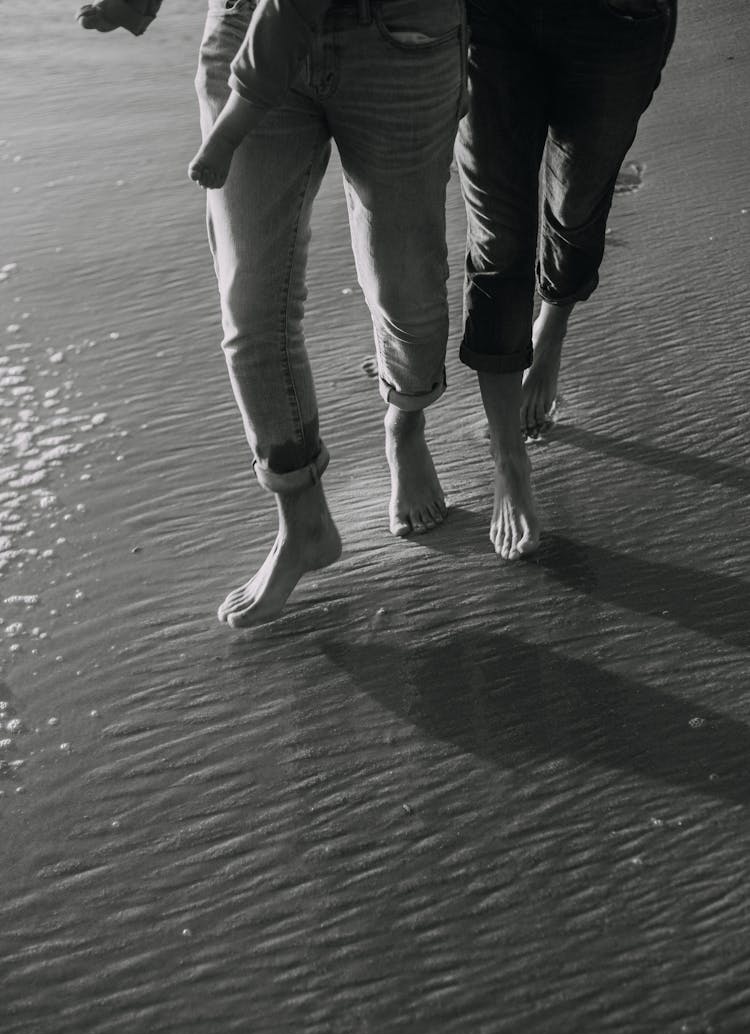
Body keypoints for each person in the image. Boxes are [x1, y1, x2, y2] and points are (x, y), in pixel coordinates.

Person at [76, 0, 467, 626]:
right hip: (243, 25)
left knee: (407, 291)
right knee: (250, 308)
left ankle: (406, 422)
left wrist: (229, 131)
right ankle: (303, 522)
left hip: (403, 38)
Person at [455, 0, 677, 560]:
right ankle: (509, 456)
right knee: (498, 237)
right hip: (484, 16)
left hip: (618, 16)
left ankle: (550, 325)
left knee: (576, 203)